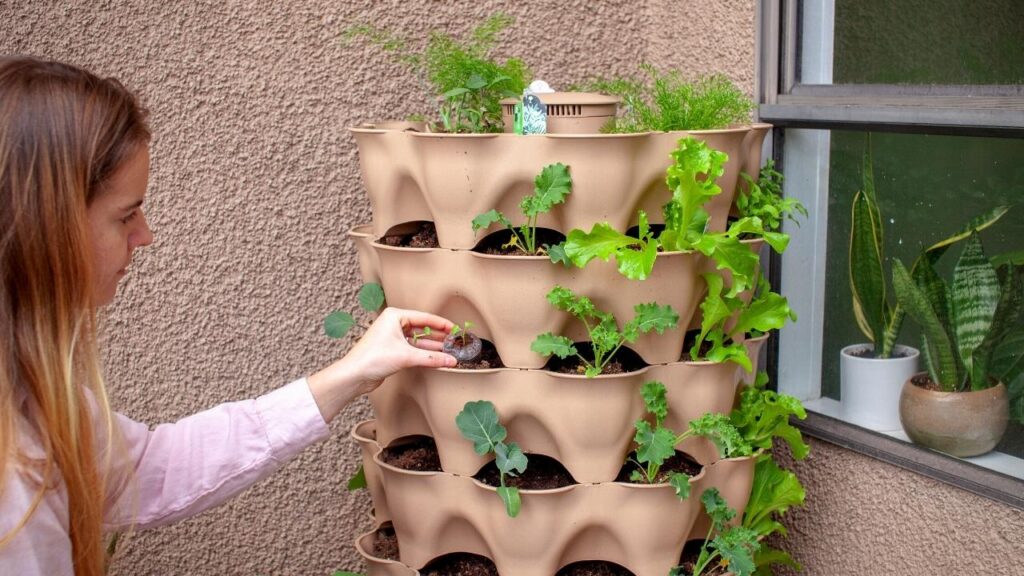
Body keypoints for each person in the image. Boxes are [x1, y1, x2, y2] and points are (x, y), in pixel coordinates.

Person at [0, 55, 458, 575]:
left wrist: (349, 374)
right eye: (125, 214)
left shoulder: (29, 397)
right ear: (46, 226)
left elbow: (150, 471)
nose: (144, 235)